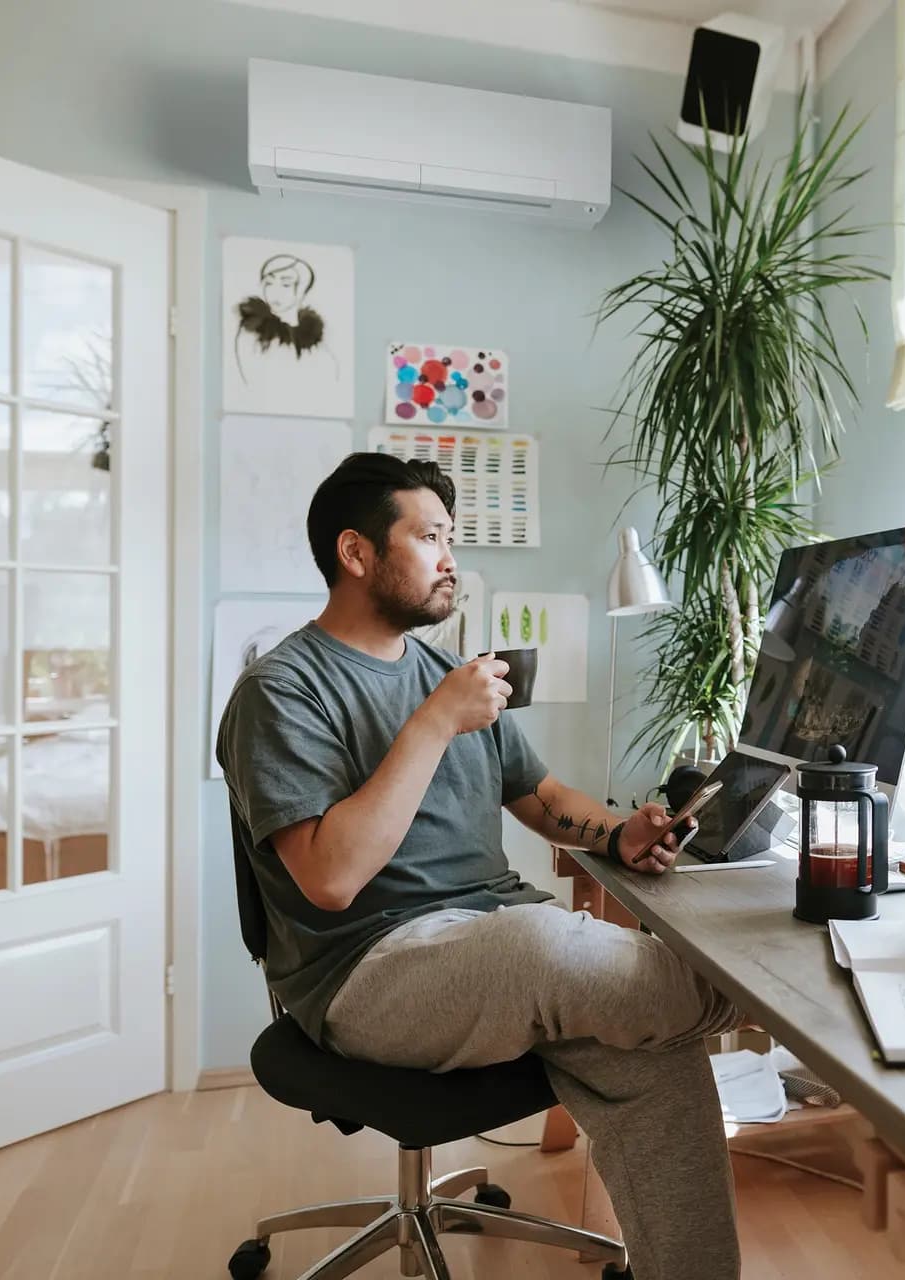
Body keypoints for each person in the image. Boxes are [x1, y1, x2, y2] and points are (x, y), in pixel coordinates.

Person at [216, 453, 743, 1280]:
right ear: (356, 553)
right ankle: (767, 999)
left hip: (496, 941)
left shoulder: (446, 675)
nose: (451, 559)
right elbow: (329, 878)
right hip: (367, 970)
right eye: (429, 538)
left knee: (654, 1054)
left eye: (451, 539)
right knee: (545, 943)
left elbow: (541, 795)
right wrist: (433, 723)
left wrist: (619, 835)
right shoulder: (282, 690)